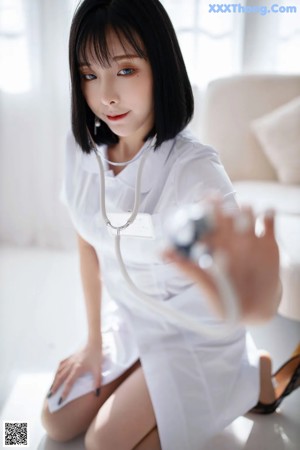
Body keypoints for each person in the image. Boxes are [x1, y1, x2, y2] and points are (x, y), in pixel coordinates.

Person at [41, 1, 300, 448]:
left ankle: (241, 380)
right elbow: (88, 242)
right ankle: (238, 378)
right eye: (89, 74)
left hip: (195, 334)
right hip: (132, 321)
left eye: (125, 70)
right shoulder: (81, 151)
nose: (106, 96)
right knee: (55, 421)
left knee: (105, 443)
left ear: (160, 66)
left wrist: (260, 303)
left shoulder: (194, 170)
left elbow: (245, 285)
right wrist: (91, 342)